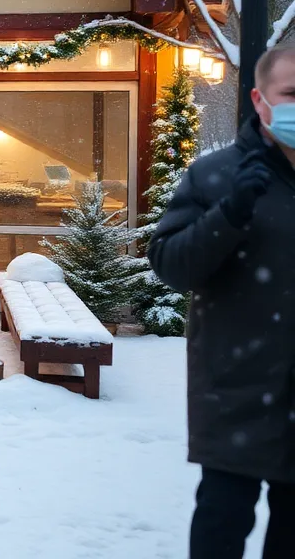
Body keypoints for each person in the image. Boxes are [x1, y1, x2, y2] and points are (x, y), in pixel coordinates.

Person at [149, 45, 295, 559]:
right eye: (292, 94)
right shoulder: (216, 176)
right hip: (235, 390)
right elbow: (171, 265)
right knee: (222, 524)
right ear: (260, 100)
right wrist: (230, 214)